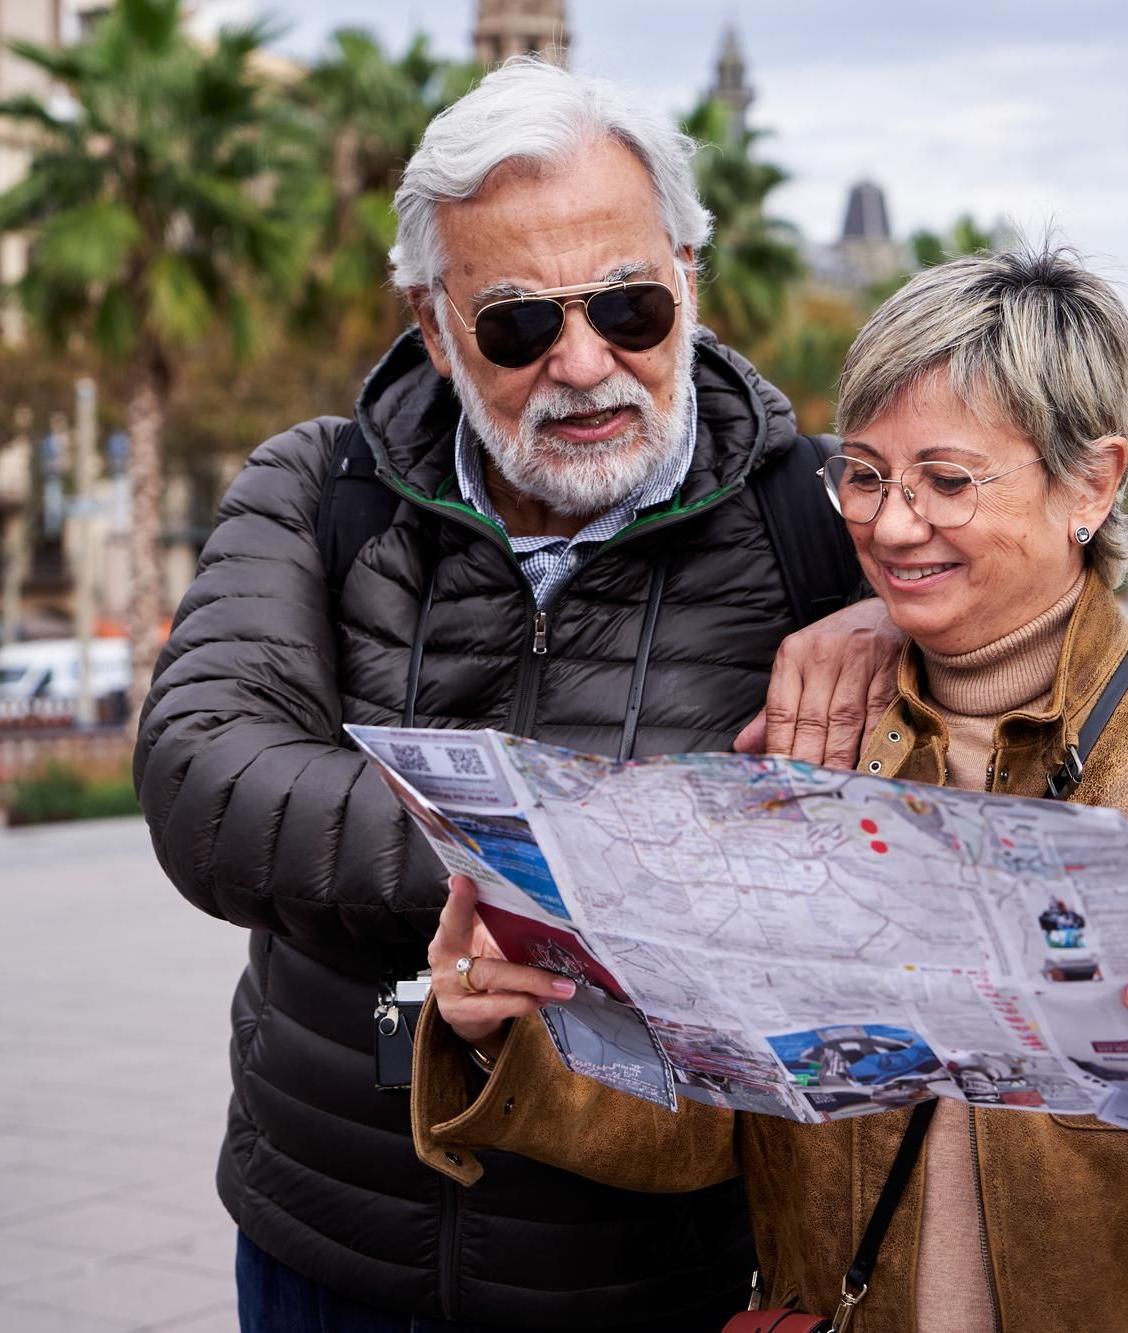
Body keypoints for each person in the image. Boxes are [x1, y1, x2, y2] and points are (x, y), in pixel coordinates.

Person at [413, 245, 1128, 1331]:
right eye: (862, 474)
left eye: (946, 480)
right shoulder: (808, 743)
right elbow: (715, 1125)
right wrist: (507, 1028)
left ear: (1090, 480)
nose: (890, 527)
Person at [133, 59, 902, 1333]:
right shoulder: (317, 487)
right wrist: (596, 852)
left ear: (691, 279)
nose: (583, 361)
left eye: (631, 307)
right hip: (342, 1240)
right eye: (516, 325)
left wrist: (902, 607)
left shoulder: (825, 519)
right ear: (433, 327)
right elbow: (208, 778)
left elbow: (1060, 615)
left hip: (674, 1268)